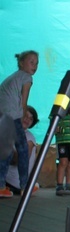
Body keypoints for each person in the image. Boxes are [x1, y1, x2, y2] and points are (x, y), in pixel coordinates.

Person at [0, 50, 39, 198]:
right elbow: (24, 101)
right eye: (31, 62)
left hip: (3, 114)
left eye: (36, 63)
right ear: (21, 63)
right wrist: (22, 115)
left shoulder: (12, 77)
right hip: (12, 115)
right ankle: (24, 185)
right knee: (22, 149)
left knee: (7, 149)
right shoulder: (26, 77)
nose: (34, 66)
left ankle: (2, 185)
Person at [5, 106, 40, 195]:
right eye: (25, 115)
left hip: (13, 183)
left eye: (31, 119)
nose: (27, 119)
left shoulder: (29, 137)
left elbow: (21, 160)